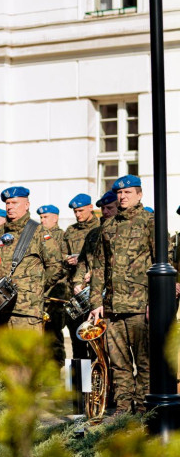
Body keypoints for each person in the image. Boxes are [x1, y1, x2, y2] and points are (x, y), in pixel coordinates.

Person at [89, 175, 154, 415]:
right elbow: (98, 267)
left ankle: (144, 410)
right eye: (119, 193)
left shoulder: (150, 222)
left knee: (144, 362)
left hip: (140, 305)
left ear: (139, 195)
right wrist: (96, 303)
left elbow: (162, 264)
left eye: (128, 193)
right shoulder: (108, 225)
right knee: (119, 363)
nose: (123, 197)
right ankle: (124, 410)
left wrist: (155, 302)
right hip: (112, 307)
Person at [0, 188, 63, 333]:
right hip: (0, 307)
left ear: (26, 205)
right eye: (7, 203)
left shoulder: (39, 232)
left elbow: (55, 267)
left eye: (15, 203)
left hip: (27, 311)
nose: (10, 206)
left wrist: (34, 287)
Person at [62, 193, 100, 359]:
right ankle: (81, 383)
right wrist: (67, 259)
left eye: (81, 210)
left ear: (91, 208)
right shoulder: (71, 231)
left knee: (95, 340)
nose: (78, 215)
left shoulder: (100, 227)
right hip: (76, 290)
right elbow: (61, 254)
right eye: (75, 211)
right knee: (77, 339)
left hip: (95, 290)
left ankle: (97, 379)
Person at [36, 204, 67, 366]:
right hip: (41, 295)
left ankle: (56, 370)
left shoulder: (62, 237)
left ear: (55, 218)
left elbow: (61, 265)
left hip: (56, 294)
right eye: (41, 217)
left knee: (54, 335)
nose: (42, 220)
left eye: (45, 217)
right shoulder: (38, 235)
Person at [73, 190, 118, 294]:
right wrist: (78, 283)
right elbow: (82, 261)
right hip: (95, 291)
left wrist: (95, 272)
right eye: (103, 208)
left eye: (110, 208)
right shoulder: (94, 233)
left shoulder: (124, 232)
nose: (105, 211)